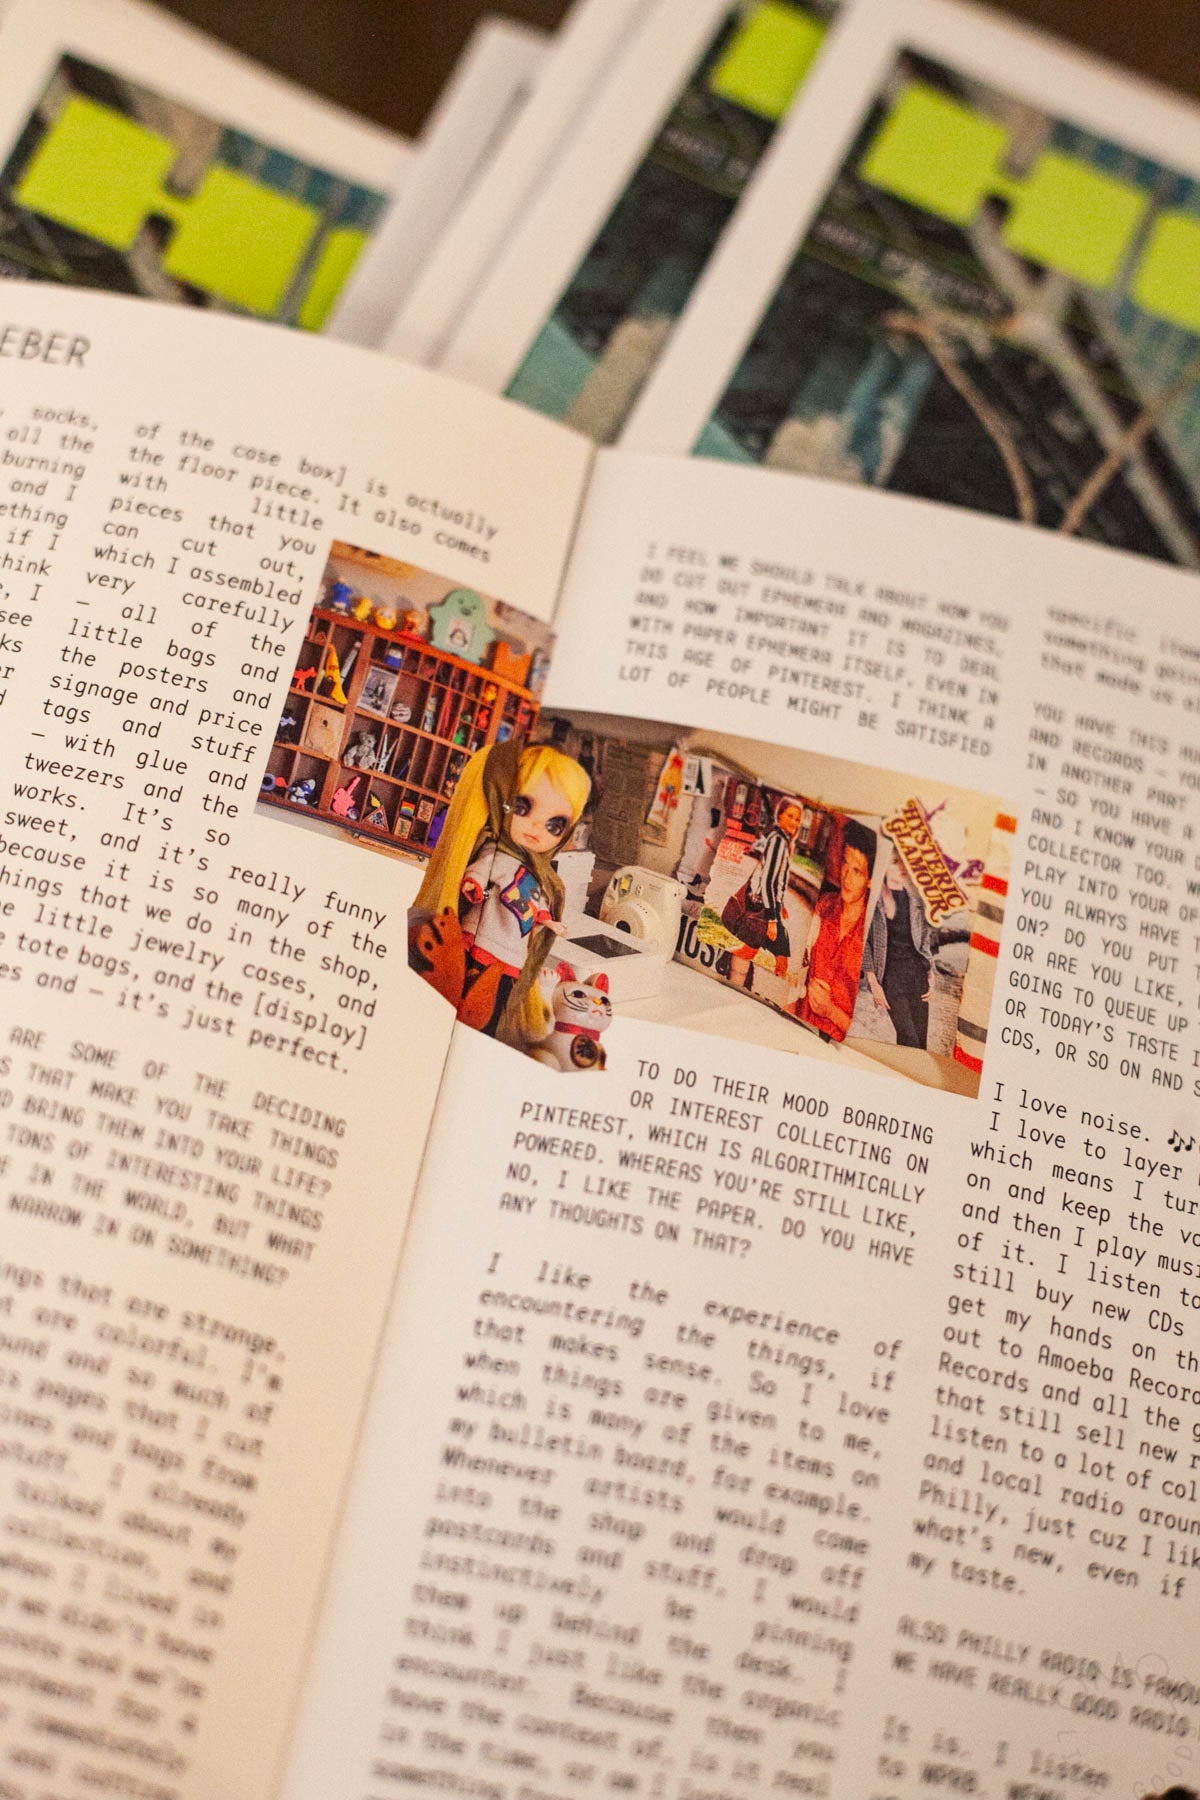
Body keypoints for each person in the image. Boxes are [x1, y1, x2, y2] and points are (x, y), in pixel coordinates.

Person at [412, 739, 590, 1051]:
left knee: (495, 1005)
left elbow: (537, 906)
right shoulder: (496, 853)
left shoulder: (541, 875)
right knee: (474, 1000)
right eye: (522, 807)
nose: (538, 826)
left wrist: (550, 923)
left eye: (555, 825)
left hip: (512, 954)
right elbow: (479, 872)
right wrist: (473, 885)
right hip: (480, 943)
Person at [796, 816, 876, 1041]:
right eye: (845, 864)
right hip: (798, 1025)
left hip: (837, 1046)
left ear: (870, 880)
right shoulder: (824, 905)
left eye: (857, 871)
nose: (846, 877)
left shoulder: (872, 935)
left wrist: (830, 1011)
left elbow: (869, 1030)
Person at [725, 796, 803, 993]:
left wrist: (780, 904)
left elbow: (776, 880)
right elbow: (768, 881)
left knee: (774, 957)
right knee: (763, 954)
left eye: (797, 819)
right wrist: (772, 919)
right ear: (780, 816)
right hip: (762, 907)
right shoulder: (778, 841)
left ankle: (735, 984)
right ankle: (734, 985)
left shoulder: (781, 840)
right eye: (790, 816)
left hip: (768, 905)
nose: (794, 822)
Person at [857, 851, 935, 1048]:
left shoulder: (915, 899)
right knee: (909, 1038)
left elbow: (924, 939)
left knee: (921, 1043)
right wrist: (873, 982)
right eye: (894, 863)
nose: (900, 869)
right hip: (891, 978)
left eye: (903, 864)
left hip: (917, 976)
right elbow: (863, 941)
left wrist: (930, 973)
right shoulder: (873, 900)